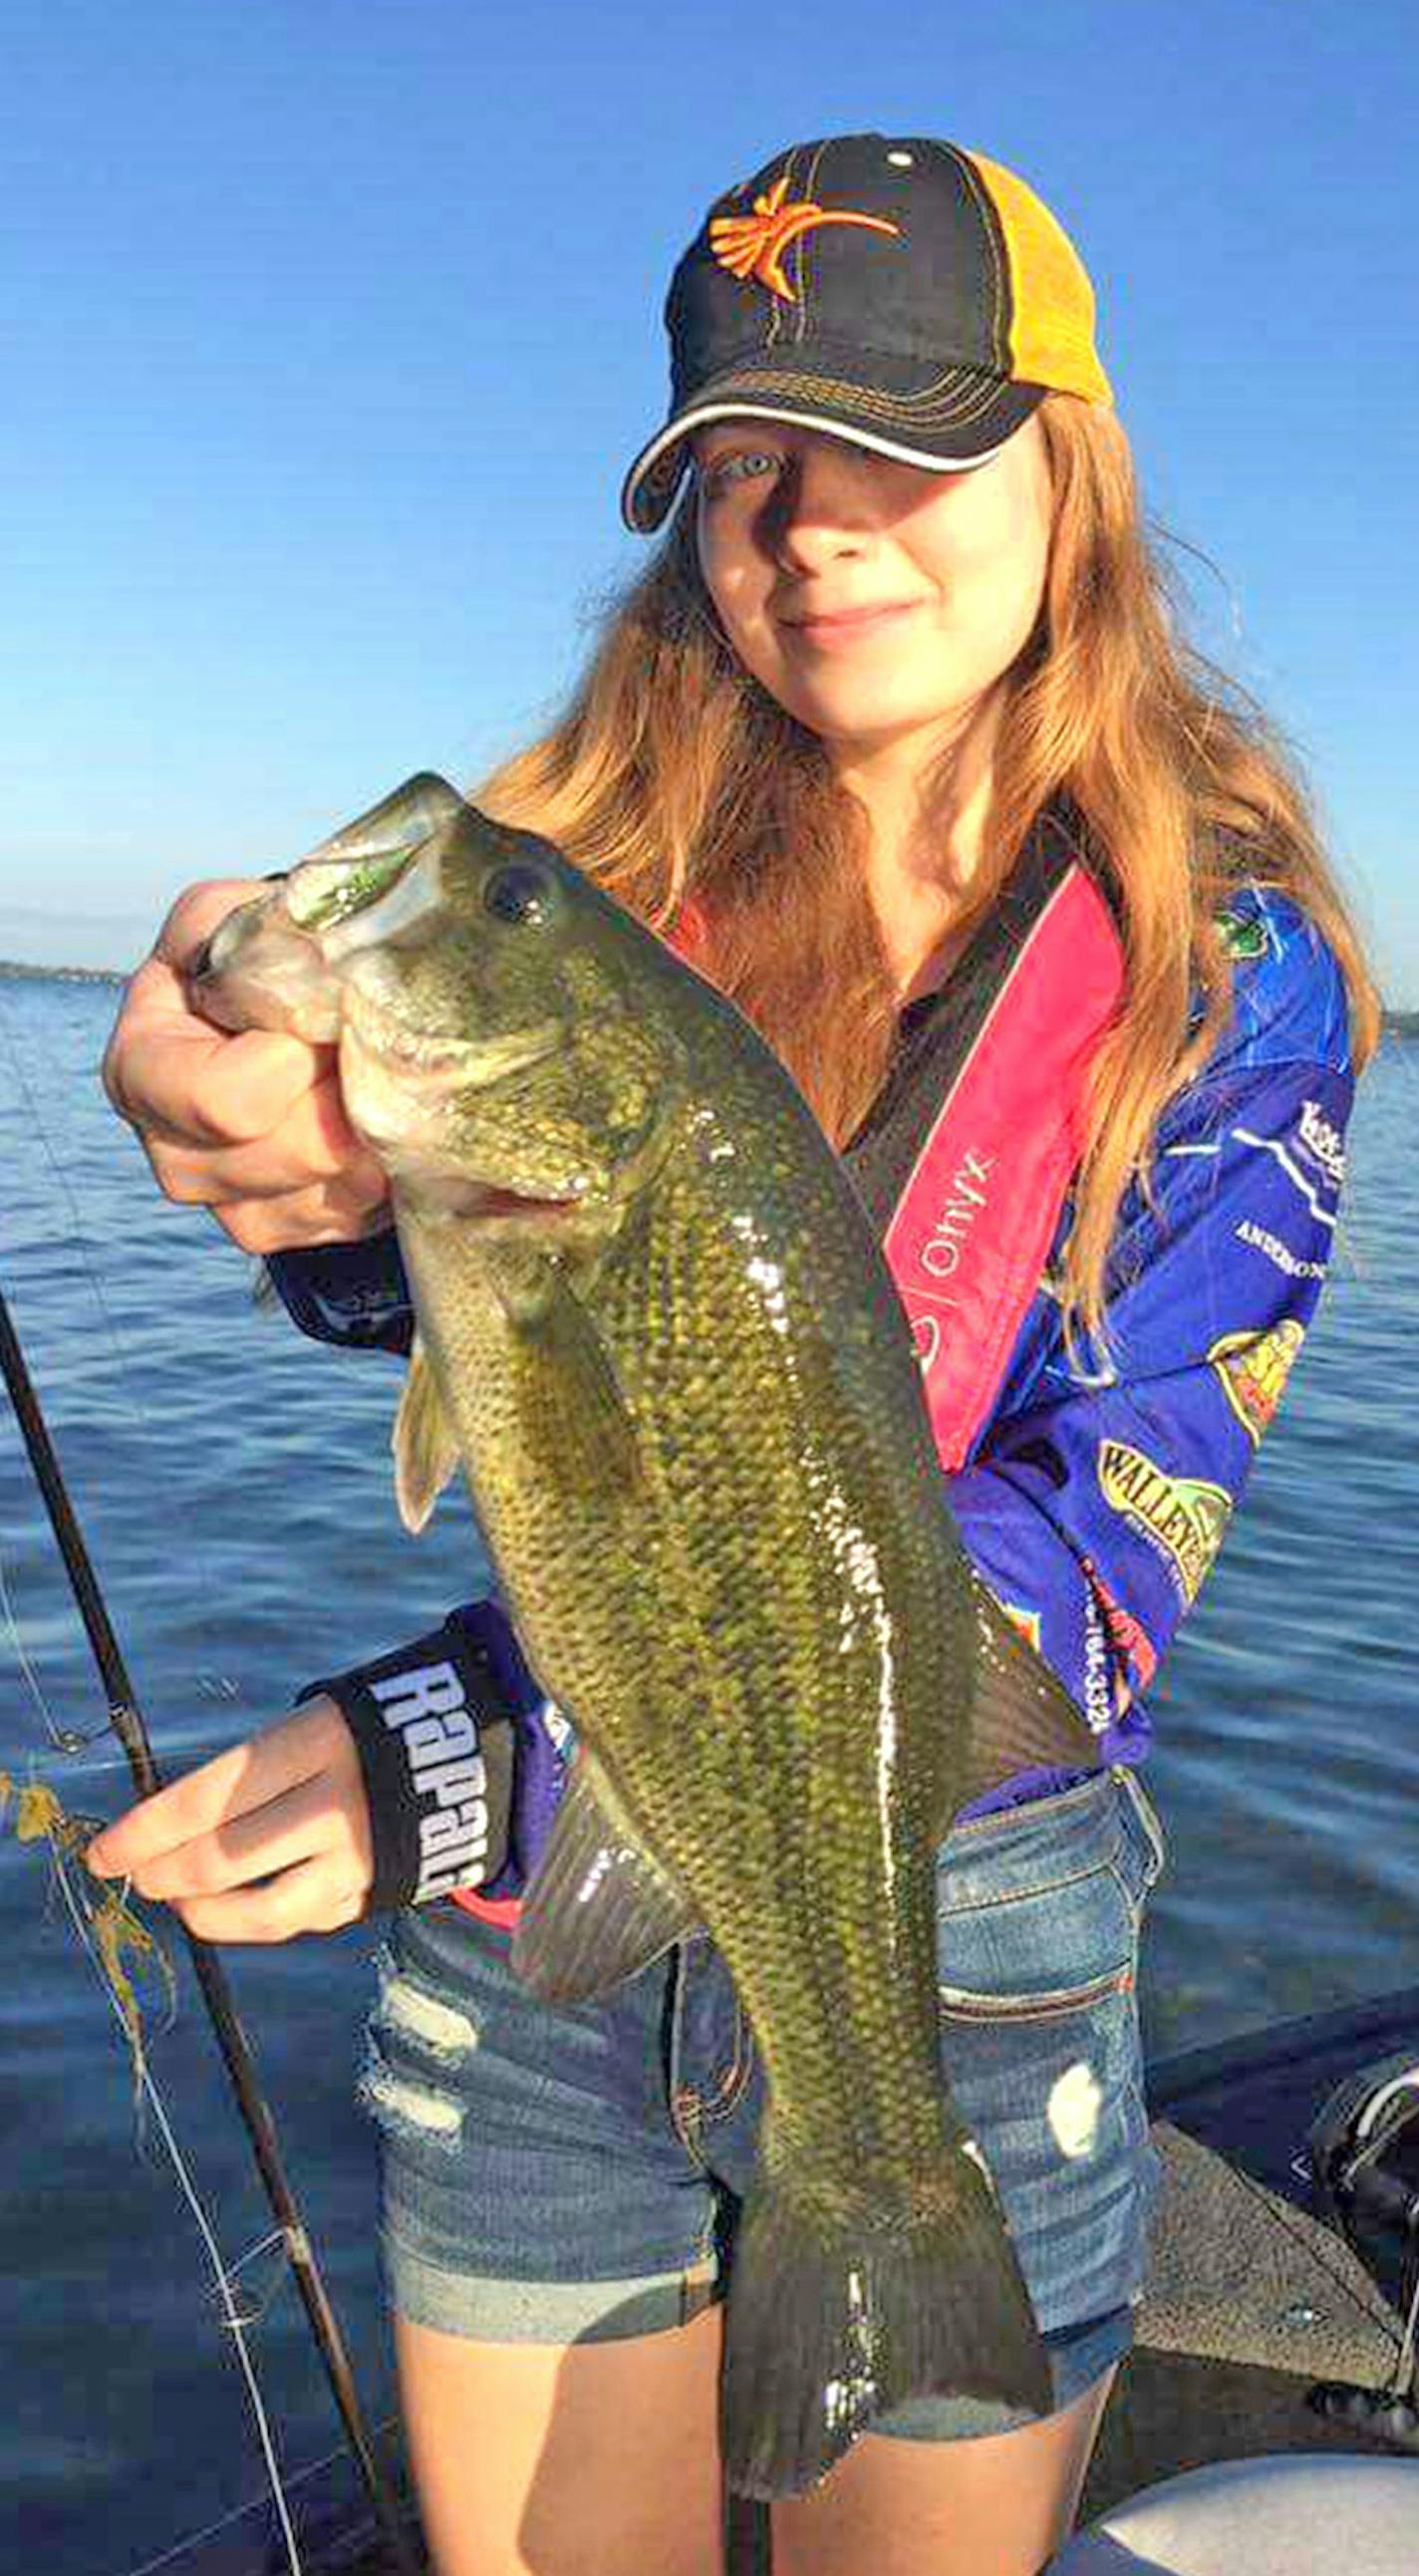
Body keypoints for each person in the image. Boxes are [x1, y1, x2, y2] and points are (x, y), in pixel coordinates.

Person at [90, 133, 1378, 2576]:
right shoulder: (580, 867)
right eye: (743, 472)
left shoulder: (1233, 971)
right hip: (538, 2000)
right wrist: (293, 1171)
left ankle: (851, 2184)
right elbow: (467, 1318)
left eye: (901, 440)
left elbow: (1098, 1565)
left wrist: (466, 1736)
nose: (814, 524)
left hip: (945, 1947)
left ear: (1066, 465)